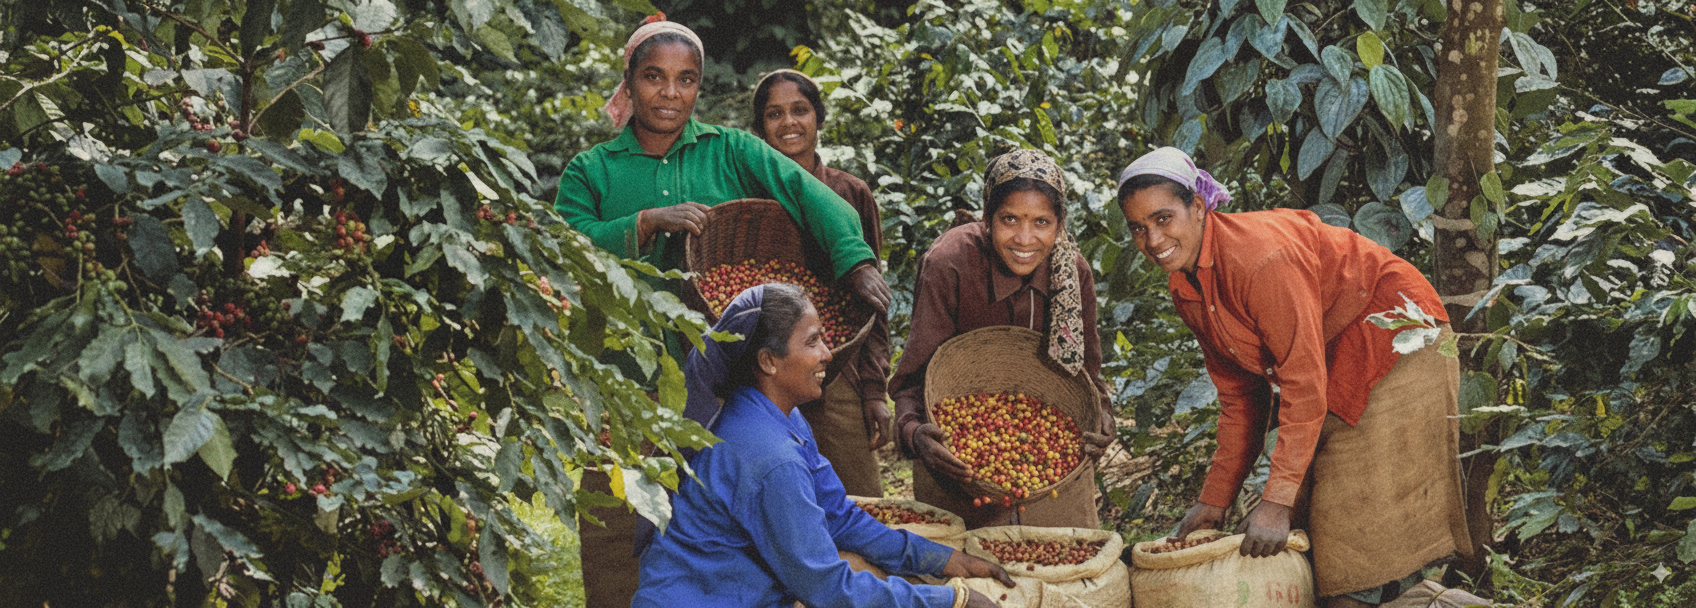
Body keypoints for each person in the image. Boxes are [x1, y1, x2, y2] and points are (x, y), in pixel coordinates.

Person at [552, 18, 893, 607]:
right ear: (629, 84)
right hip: (624, 373)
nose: (670, 93)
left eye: (686, 80)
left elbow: (811, 194)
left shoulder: (729, 150)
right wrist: (642, 224)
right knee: (616, 506)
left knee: (714, 515)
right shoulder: (594, 169)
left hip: (721, 374)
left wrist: (855, 260)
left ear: (699, 87)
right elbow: (565, 243)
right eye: (654, 77)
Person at [1114, 147, 1471, 607]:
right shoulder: (1186, 287)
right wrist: (1214, 501)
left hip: (1397, 335)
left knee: (1351, 538)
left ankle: (1407, 596)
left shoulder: (1257, 259)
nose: (1152, 238)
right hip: (1337, 352)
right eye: (1138, 228)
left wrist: (1276, 503)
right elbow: (1242, 396)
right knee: (1313, 540)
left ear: (1198, 207)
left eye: (1164, 218)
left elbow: (1302, 385)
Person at [633, 283, 1014, 608]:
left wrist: (944, 560)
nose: (828, 354)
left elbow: (837, 515)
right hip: (697, 599)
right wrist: (951, 601)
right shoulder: (771, 458)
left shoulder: (779, 415)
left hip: (723, 590)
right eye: (812, 341)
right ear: (768, 361)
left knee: (856, 562)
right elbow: (825, 587)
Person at [889, 149, 1116, 530]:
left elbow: (1086, 371)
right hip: (959, 465)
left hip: (1052, 472)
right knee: (968, 578)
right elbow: (916, 372)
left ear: (1059, 225)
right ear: (987, 219)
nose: (1025, 238)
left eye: (1041, 222)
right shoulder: (951, 263)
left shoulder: (1071, 271)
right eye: (1009, 219)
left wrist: (1102, 415)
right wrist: (915, 433)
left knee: (1062, 565)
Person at [750, 69, 890, 499]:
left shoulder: (850, 193)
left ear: (819, 119)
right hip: (765, 373)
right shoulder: (749, 193)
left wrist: (873, 390)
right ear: (758, 129)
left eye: (800, 110)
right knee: (777, 498)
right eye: (774, 114)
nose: (789, 122)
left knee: (857, 499)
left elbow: (873, 300)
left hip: (838, 366)